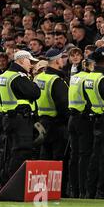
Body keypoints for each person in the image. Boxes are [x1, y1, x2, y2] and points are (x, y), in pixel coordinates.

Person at [0, 50, 40, 186]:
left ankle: (1, 183)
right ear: (21, 61)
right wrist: (31, 79)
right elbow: (35, 92)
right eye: (29, 62)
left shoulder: (3, 76)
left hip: (6, 117)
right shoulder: (18, 77)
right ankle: (13, 185)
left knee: (8, 152)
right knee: (21, 151)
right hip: (20, 119)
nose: (31, 65)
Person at [33, 48, 69, 194]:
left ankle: (43, 190)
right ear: (57, 61)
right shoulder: (56, 80)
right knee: (58, 159)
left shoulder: (38, 78)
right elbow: (63, 104)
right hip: (57, 124)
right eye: (62, 58)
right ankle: (58, 190)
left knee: (44, 157)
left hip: (41, 122)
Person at [83, 47, 104, 199]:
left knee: (95, 158)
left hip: (95, 121)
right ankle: (102, 191)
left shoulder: (89, 78)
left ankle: (90, 190)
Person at [67, 58, 94, 199]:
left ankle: (73, 189)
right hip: (83, 119)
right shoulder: (89, 78)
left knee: (74, 155)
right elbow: (90, 99)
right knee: (84, 155)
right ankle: (84, 190)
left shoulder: (75, 77)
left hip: (72, 118)